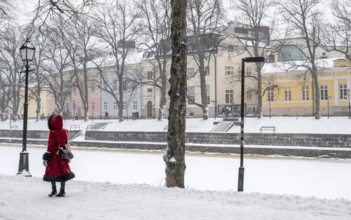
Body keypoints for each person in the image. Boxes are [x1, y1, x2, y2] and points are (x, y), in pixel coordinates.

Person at [43, 114, 75, 197]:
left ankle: (54, 190)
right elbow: (65, 143)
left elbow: (50, 145)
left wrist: (48, 154)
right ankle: (62, 191)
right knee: (63, 173)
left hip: (54, 156)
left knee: (52, 173)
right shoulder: (65, 131)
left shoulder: (52, 132)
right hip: (62, 155)